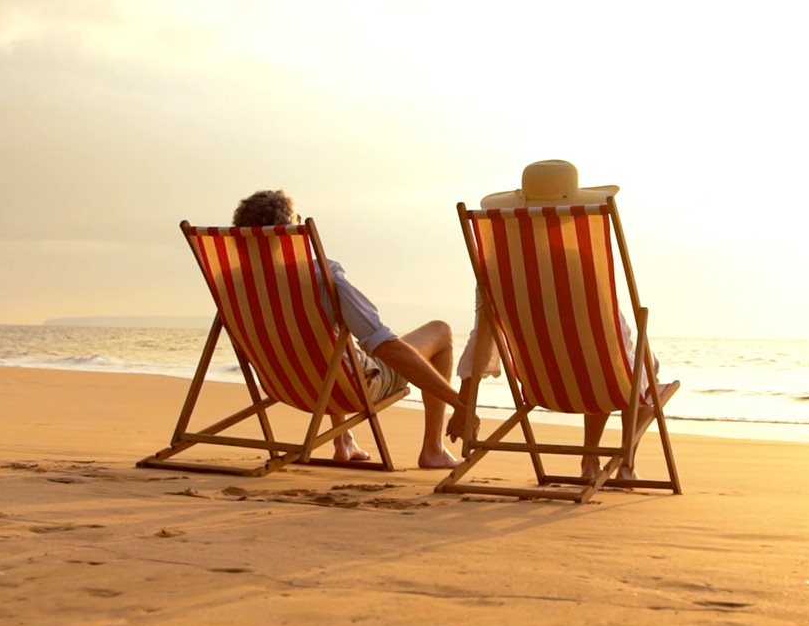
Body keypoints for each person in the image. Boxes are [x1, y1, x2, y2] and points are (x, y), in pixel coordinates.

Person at [446, 160, 658, 480]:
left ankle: (590, 461)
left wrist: (465, 403)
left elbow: (482, 336)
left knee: (597, 364)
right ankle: (624, 464)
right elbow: (614, 339)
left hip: (542, 385)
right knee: (635, 367)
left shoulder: (494, 268)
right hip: (603, 379)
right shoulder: (583, 261)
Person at [231, 189, 463, 469]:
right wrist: (459, 402)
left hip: (286, 386)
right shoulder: (321, 277)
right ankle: (433, 449)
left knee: (330, 344)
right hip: (346, 390)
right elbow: (383, 344)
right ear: (288, 233)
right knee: (441, 331)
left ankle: (343, 440)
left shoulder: (232, 283)